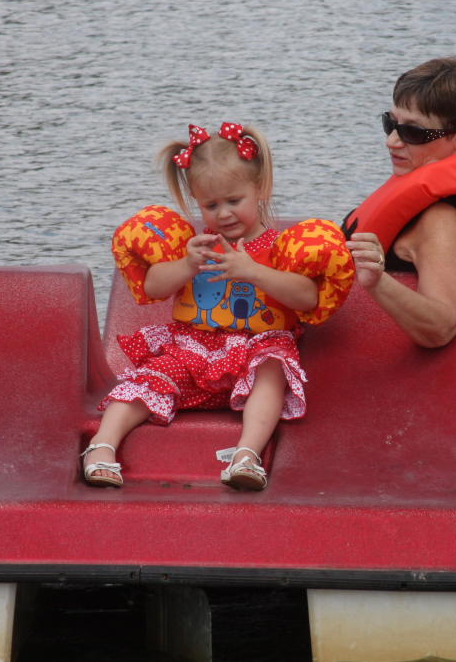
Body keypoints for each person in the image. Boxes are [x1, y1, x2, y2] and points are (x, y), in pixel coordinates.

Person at [82, 122, 354, 490]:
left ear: (259, 190)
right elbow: (153, 287)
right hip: (195, 350)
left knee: (272, 368)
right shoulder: (196, 248)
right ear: (197, 202)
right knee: (148, 378)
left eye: (233, 201)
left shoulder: (278, 249)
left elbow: (306, 298)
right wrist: (186, 265)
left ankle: (246, 455)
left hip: (255, 350)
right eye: (211, 205)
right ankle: (102, 446)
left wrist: (253, 271)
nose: (224, 213)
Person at [345, 57, 456, 348]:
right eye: (391, 122)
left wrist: (377, 280)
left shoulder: (442, 222)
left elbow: (441, 326)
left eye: (413, 132)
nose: (392, 140)